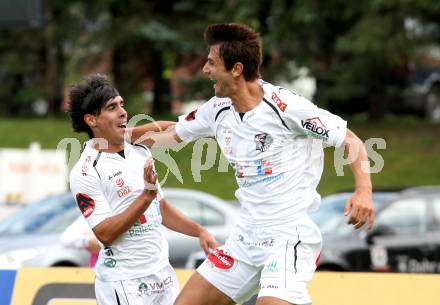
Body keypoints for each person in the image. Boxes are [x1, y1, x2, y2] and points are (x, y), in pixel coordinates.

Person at [133, 23, 374, 305]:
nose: (205, 70)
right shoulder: (216, 109)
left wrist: (364, 190)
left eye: (211, 63)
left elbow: (349, 139)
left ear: (236, 69)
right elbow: (171, 133)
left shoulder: (285, 107)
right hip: (244, 240)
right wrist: (116, 137)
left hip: (288, 237)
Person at [67, 74, 218, 305]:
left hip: (162, 273)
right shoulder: (86, 171)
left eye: (122, 104)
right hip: (124, 282)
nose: (123, 112)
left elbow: (162, 207)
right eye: (111, 107)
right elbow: (105, 234)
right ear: (91, 120)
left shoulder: (139, 150)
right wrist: (145, 198)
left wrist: (199, 231)